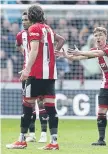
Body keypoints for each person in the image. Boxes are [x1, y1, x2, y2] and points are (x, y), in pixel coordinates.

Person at [57, 27, 108, 146]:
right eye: (96, 35)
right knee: (101, 111)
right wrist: (65, 55)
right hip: (106, 85)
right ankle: (101, 140)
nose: (98, 37)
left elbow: (96, 53)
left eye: (100, 35)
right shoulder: (93, 50)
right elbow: (80, 57)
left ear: (105, 36)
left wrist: (79, 51)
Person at [6, 5, 65, 150]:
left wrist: (26, 70)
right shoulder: (49, 29)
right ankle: (54, 142)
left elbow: (34, 50)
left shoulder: (34, 28)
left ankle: (21, 140)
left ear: (31, 16)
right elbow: (57, 42)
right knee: (50, 108)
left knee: (27, 105)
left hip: (35, 74)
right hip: (50, 74)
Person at [15, 11, 49, 143]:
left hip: (40, 72)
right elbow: (18, 46)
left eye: (26, 20)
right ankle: (32, 134)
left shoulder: (39, 31)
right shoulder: (20, 35)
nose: (23, 22)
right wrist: (25, 53)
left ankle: (44, 134)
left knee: (41, 103)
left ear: (31, 20)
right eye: (22, 20)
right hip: (27, 73)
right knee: (29, 104)